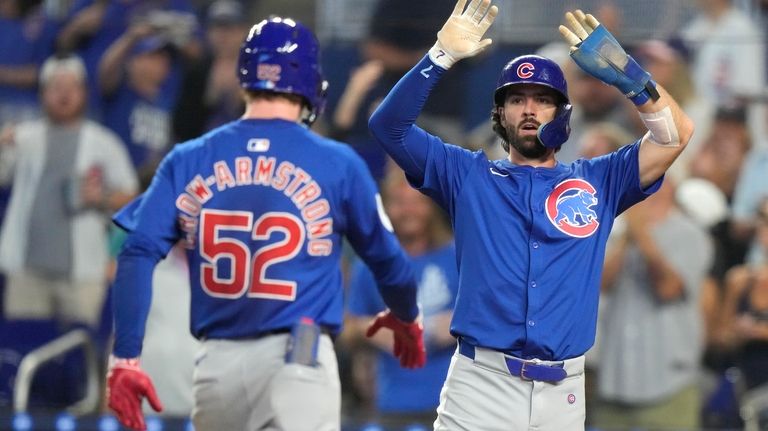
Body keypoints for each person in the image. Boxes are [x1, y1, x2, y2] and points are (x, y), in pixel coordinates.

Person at [367, 1, 695, 429]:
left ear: (563, 113)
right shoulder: (466, 174)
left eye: (543, 100)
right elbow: (387, 126)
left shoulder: (600, 179)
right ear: (500, 115)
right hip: (480, 385)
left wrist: (630, 75)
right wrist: (439, 56)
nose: (529, 109)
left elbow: (674, 137)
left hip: (564, 391)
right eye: (516, 99)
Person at [104, 17, 425, 431]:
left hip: (215, 368)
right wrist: (406, 315)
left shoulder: (186, 158)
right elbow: (389, 263)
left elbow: (135, 253)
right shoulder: (337, 162)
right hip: (298, 358)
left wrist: (125, 358)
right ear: (311, 83)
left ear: (243, 79)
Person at [0, 54, 138, 329]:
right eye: (55, 87)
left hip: (83, 273)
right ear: (43, 94)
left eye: (71, 87)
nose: (63, 94)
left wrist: (102, 198)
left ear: (83, 93)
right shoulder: (23, 136)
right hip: (26, 271)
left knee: (79, 353)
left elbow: (133, 198)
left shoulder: (104, 143)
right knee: (24, 351)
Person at [594, 179, 713, 430]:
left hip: (668, 386)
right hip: (614, 382)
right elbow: (600, 286)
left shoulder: (690, 234)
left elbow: (667, 289)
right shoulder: (616, 233)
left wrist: (642, 234)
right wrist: (628, 236)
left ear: (669, 185)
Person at [346, 164, 458, 427]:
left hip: (455, 400)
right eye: (399, 202)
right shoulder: (370, 265)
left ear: (431, 206)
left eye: (416, 202)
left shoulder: (458, 257)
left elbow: (496, 316)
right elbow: (346, 328)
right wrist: (370, 328)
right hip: (392, 405)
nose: (408, 211)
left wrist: (459, 322)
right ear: (385, 208)